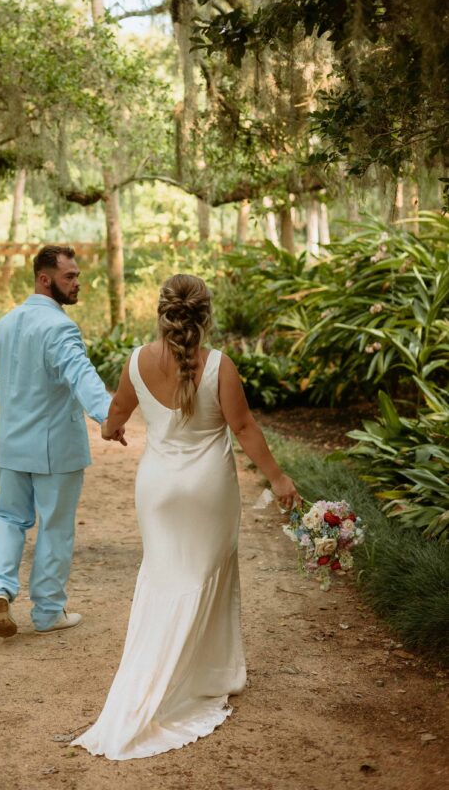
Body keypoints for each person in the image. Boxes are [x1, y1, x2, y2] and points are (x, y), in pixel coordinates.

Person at [73, 273, 301, 760]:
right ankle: (198, 677)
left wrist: (112, 429)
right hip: (207, 489)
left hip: (157, 489)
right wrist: (278, 479)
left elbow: (116, 411)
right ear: (205, 313)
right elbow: (243, 427)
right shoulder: (220, 366)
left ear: (162, 312)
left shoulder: (136, 360)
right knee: (205, 579)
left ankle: (170, 672)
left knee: (162, 579)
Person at [0, 244, 126, 637]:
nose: (78, 283)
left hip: (11, 443)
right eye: (70, 277)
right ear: (45, 279)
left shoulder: (4, 325)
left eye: (77, 275)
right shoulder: (59, 327)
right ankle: (47, 612)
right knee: (55, 527)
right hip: (54, 447)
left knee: (8, 518)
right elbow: (80, 374)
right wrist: (109, 418)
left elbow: (1, 386)